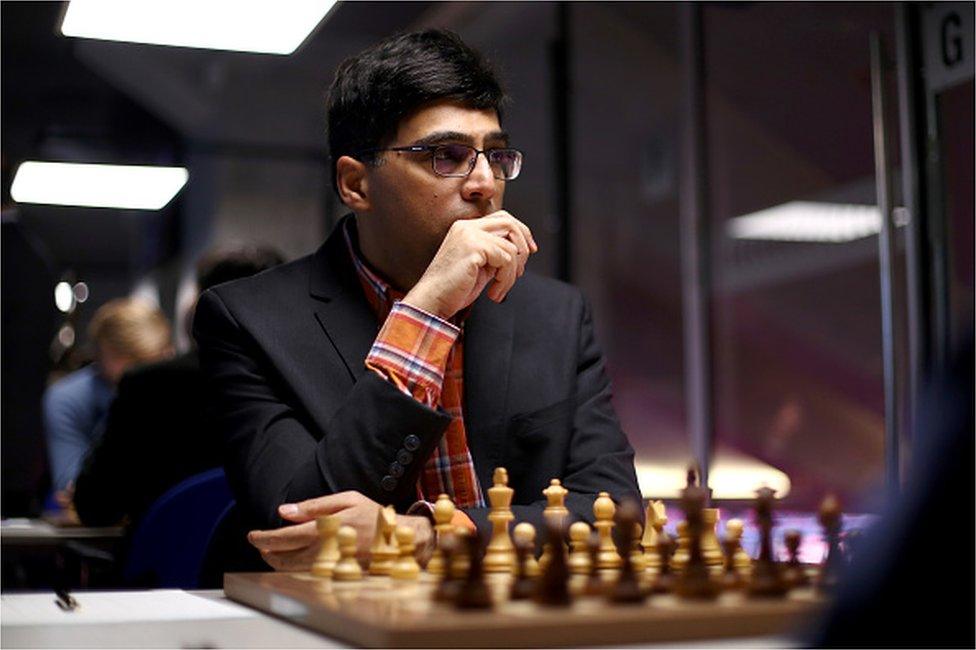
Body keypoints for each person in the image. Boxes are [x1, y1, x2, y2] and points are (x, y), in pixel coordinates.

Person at [193, 29, 642, 571]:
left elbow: (615, 515)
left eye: (495, 156)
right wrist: (424, 314)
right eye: (446, 156)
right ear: (356, 184)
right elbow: (298, 529)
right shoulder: (247, 320)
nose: (483, 183)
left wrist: (425, 536)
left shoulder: (557, 315)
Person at [72, 246, 284, 528]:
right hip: (268, 565)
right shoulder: (298, 385)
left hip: (159, 566)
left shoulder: (147, 385)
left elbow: (95, 506)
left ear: (203, 307)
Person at [43, 298, 172, 505]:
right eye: (130, 361)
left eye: (146, 362)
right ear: (99, 354)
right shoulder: (68, 398)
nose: (139, 375)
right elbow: (71, 489)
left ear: (168, 353)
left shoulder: (186, 389)